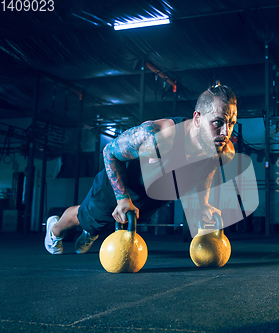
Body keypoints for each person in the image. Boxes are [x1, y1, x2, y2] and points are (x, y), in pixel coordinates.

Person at [44, 83, 237, 254]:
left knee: (112, 224)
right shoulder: (155, 136)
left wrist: (203, 204)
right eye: (218, 122)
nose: (225, 132)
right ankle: (55, 229)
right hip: (116, 190)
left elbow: (208, 168)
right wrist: (122, 199)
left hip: (149, 201)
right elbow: (109, 152)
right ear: (197, 118)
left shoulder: (221, 148)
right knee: (86, 218)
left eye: (231, 123)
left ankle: (92, 230)